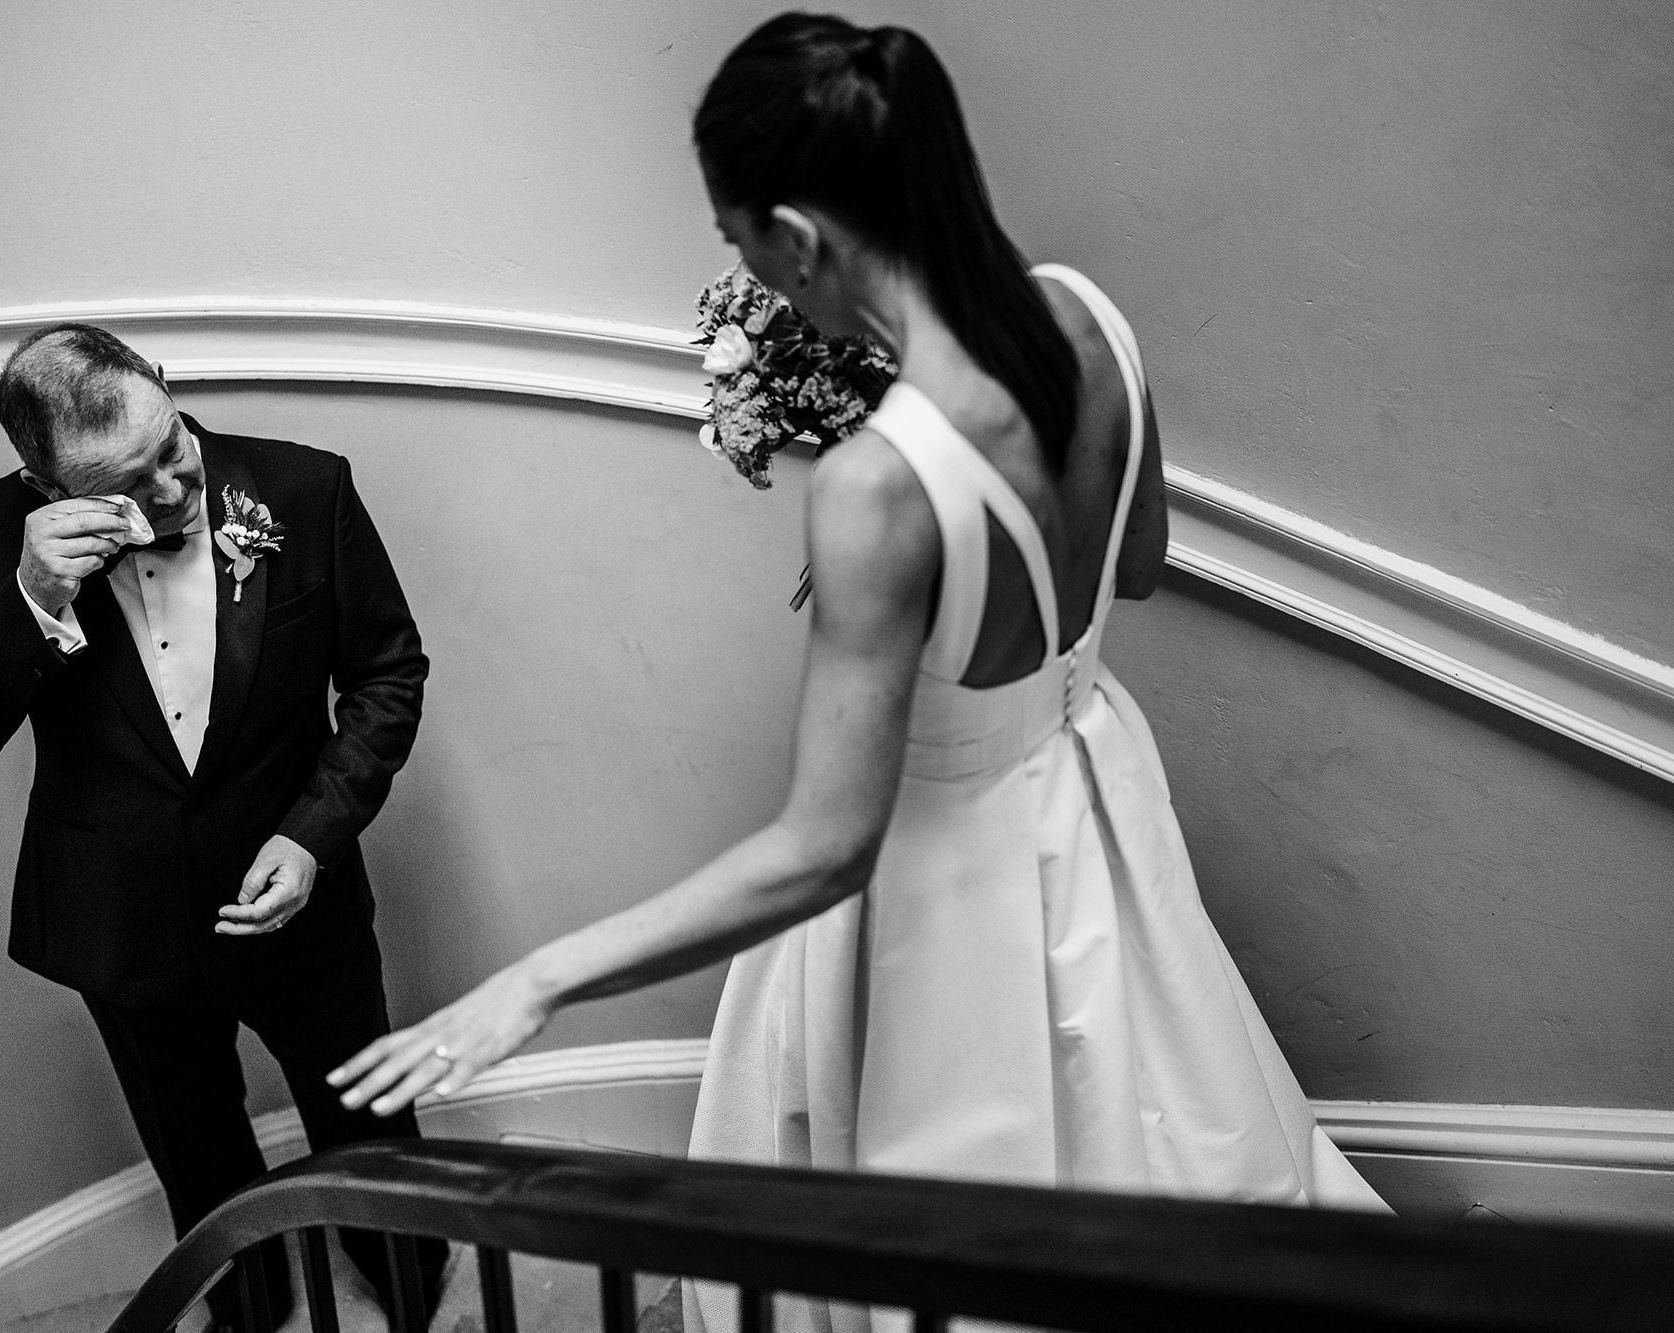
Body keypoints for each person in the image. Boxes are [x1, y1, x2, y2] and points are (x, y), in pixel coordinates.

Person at [331, 10, 1386, 1327]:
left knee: (947, 1232)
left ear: (799, 237)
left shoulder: (879, 484)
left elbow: (827, 848)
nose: (754, 279)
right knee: (1144, 1119)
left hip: (946, 878)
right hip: (1094, 785)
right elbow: (1140, 565)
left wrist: (534, 979)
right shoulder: (1094, 321)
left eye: (740, 246)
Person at [0, 324, 445, 1331]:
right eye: (124, 484)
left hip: (301, 905)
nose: (169, 495)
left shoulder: (304, 488)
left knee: (364, 1114)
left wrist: (310, 833)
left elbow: (385, 675)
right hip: (124, 919)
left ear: (160, 382)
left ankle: (407, 1275)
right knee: (194, 1148)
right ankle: (248, 1301)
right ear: (41, 481)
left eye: (170, 450)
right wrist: (28, 601)